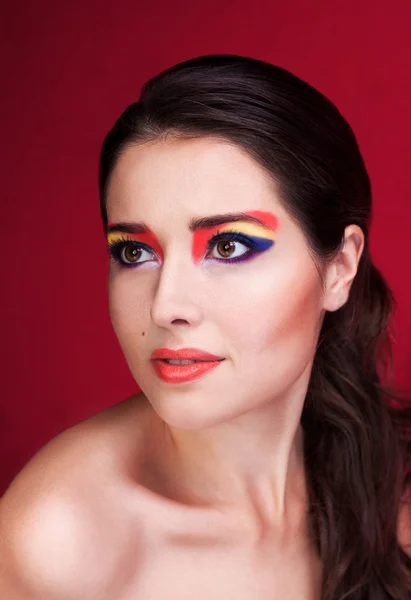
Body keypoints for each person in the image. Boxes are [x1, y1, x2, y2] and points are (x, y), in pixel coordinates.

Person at [1, 54, 411, 600]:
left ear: (339, 268)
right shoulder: (60, 542)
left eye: (228, 246)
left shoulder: (392, 495)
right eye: (135, 251)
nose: (166, 305)